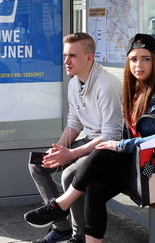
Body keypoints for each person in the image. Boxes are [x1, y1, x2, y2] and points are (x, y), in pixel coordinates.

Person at [23, 34, 155, 243]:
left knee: (103, 151)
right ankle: (71, 225)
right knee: (94, 184)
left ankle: (62, 206)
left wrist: (120, 145)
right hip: (140, 162)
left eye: (145, 59)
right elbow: (78, 122)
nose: (138, 65)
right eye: (133, 59)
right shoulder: (134, 90)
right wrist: (62, 148)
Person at [28, 33, 123, 243]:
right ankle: (61, 226)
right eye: (65, 55)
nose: (66, 61)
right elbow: (74, 122)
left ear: (89, 57)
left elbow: (111, 135)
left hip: (108, 149)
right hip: (89, 140)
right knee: (38, 165)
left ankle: (78, 236)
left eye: (72, 56)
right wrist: (59, 149)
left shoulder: (107, 85)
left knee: (70, 175)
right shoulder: (74, 83)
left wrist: (70, 154)